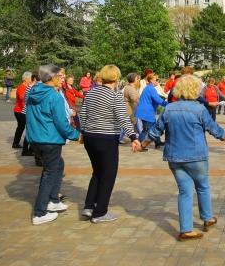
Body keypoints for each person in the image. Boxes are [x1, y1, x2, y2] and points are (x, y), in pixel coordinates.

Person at [140, 75, 225, 240]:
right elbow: (216, 131)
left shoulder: (169, 109)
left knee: (184, 192)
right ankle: (207, 218)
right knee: (203, 187)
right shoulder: (199, 110)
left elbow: (155, 131)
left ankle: (186, 229)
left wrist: (141, 145)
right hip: (197, 157)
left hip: (175, 158)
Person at [79, 65, 138, 223]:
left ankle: (89, 206)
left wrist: (82, 131)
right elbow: (122, 117)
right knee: (108, 174)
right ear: (116, 78)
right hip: (106, 137)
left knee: (97, 172)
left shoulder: (91, 93)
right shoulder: (114, 96)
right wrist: (133, 136)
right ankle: (100, 212)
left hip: (90, 136)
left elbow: (83, 113)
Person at [25, 64, 81, 225]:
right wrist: (77, 135)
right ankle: (40, 212)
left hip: (36, 139)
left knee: (57, 165)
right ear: (52, 78)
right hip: (49, 140)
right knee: (49, 173)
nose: (62, 79)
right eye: (60, 77)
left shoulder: (33, 93)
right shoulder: (54, 96)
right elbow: (62, 124)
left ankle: (53, 199)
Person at [135, 73, 168, 149]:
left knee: (154, 127)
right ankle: (139, 145)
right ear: (151, 81)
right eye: (156, 79)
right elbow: (157, 100)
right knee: (146, 129)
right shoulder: (151, 89)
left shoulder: (149, 88)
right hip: (147, 112)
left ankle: (158, 142)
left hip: (146, 111)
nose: (158, 81)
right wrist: (168, 104)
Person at [12, 71, 32, 151]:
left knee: (21, 127)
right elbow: (21, 97)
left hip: (23, 110)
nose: (31, 80)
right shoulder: (21, 87)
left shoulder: (27, 87)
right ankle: (16, 142)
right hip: (19, 111)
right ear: (26, 79)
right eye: (30, 79)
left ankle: (16, 142)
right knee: (21, 127)